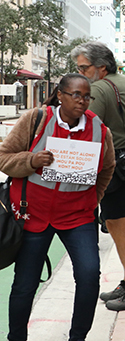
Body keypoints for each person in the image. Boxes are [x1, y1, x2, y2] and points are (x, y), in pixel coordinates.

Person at [0, 74, 116, 341]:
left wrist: (92, 200)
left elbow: (107, 168)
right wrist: (31, 160)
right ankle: (16, 337)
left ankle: (78, 337)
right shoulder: (36, 120)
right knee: (24, 285)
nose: (82, 100)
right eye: (76, 94)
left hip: (78, 217)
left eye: (87, 96)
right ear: (60, 95)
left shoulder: (100, 130)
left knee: (89, 276)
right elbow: (3, 157)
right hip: (33, 216)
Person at [71, 41, 125, 311]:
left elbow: (88, 127)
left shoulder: (98, 88)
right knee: (123, 225)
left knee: (119, 227)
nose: (80, 73)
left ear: (101, 67)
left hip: (116, 165)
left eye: (84, 68)